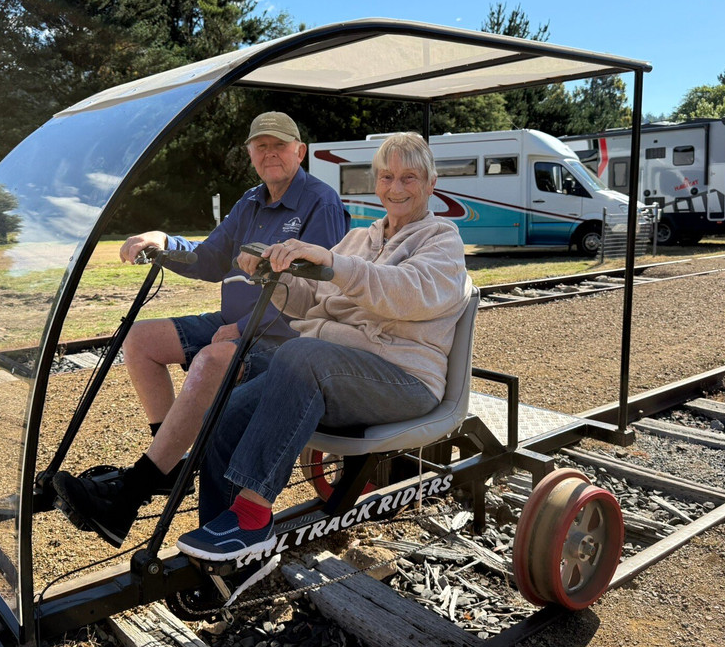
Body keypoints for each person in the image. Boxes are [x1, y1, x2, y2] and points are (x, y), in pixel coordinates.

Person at [53, 112, 349, 548]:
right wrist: (165, 241)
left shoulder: (320, 202)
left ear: (299, 152)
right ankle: (167, 465)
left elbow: (316, 292)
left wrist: (243, 328)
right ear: (250, 154)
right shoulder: (250, 201)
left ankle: (131, 495)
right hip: (234, 324)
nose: (270, 154)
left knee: (212, 359)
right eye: (260, 146)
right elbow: (209, 258)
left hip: (286, 339)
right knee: (140, 339)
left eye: (280, 145)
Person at [173, 131, 472, 561]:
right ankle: (220, 557)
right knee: (228, 411)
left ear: (431, 183)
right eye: (387, 176)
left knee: (299, 354)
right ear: (376, 182)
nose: (397, 187)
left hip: (403, 379)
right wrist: (273, 278)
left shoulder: (441, 240)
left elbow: (407, 292)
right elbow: (309, 301)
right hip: (335, 373)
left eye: (410, 177)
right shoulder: (361, 240)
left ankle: (252, 518)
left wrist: (334, 264)